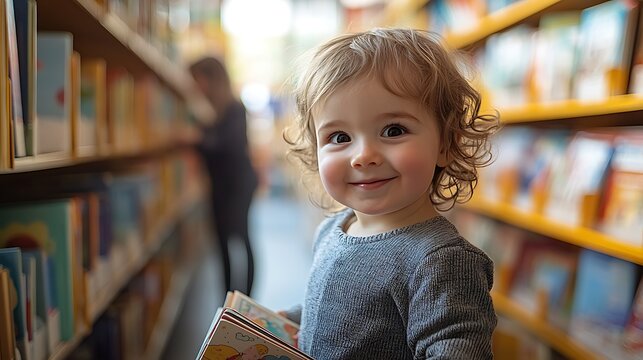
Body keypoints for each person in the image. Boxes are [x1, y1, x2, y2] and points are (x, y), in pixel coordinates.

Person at [282, 28, 499, 359]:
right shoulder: (335, 227)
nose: (363, 155)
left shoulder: (441, 261)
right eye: (339, 137)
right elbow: (335, 310)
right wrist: (292, 321)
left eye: (393, 130)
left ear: (446, 144)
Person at [189, 56, 259, 295]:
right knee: (220, 243)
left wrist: (196, 138)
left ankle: (247, 300)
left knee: (241, 238)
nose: (196, 87)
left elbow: (225, 145)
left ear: (212, 79)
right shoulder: (213, 113)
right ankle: (227, 297)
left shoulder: (235, 109)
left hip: (238, 185)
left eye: (198, 80)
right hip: (219, 186)